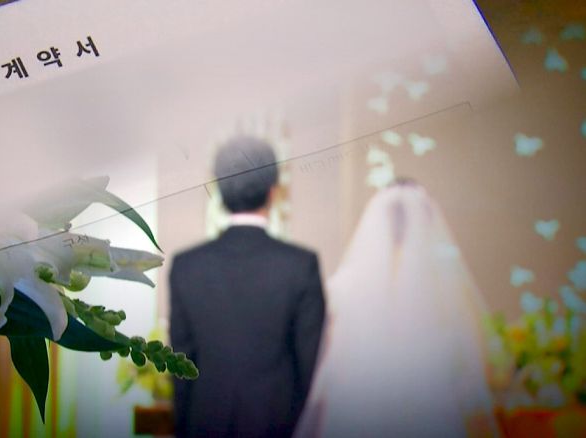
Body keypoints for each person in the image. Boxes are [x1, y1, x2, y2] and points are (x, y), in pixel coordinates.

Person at [294, 180, 498, 437]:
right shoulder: (446, 290)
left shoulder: (344, 286)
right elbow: (476, 373)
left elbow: (326, 364)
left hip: (360, 418)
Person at [169, 136, 326, 437]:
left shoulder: (187, 265)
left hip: (205, 423)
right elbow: (310, 366)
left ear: (219, 189)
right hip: (279, 424)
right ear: (273, 190)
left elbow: (181, 364)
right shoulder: (301, 265)